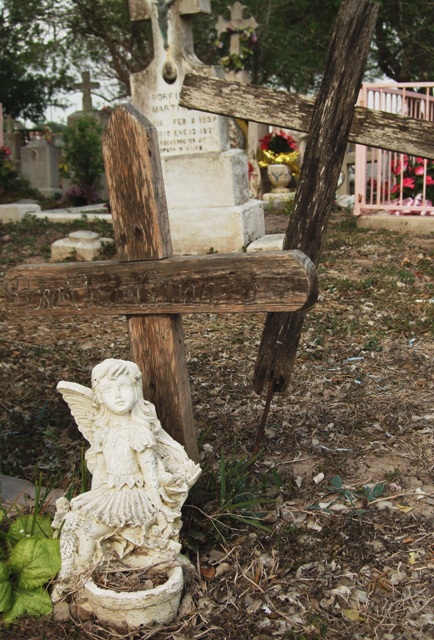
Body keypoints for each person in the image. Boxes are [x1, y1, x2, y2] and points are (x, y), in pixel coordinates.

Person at [52, 358, 200, 599]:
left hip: (133, 497)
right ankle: (68, 575)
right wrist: (92, 503)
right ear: (98, 397)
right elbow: (100, 473)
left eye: (124, 387)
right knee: (72, 522)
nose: (118, 395)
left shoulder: (139, 430)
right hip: (109, 493)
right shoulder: (102, 431)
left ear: (136, 390)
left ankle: (77, 580)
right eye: (109, 390)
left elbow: (150, 474)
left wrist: (162, 509)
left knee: (88, 531)